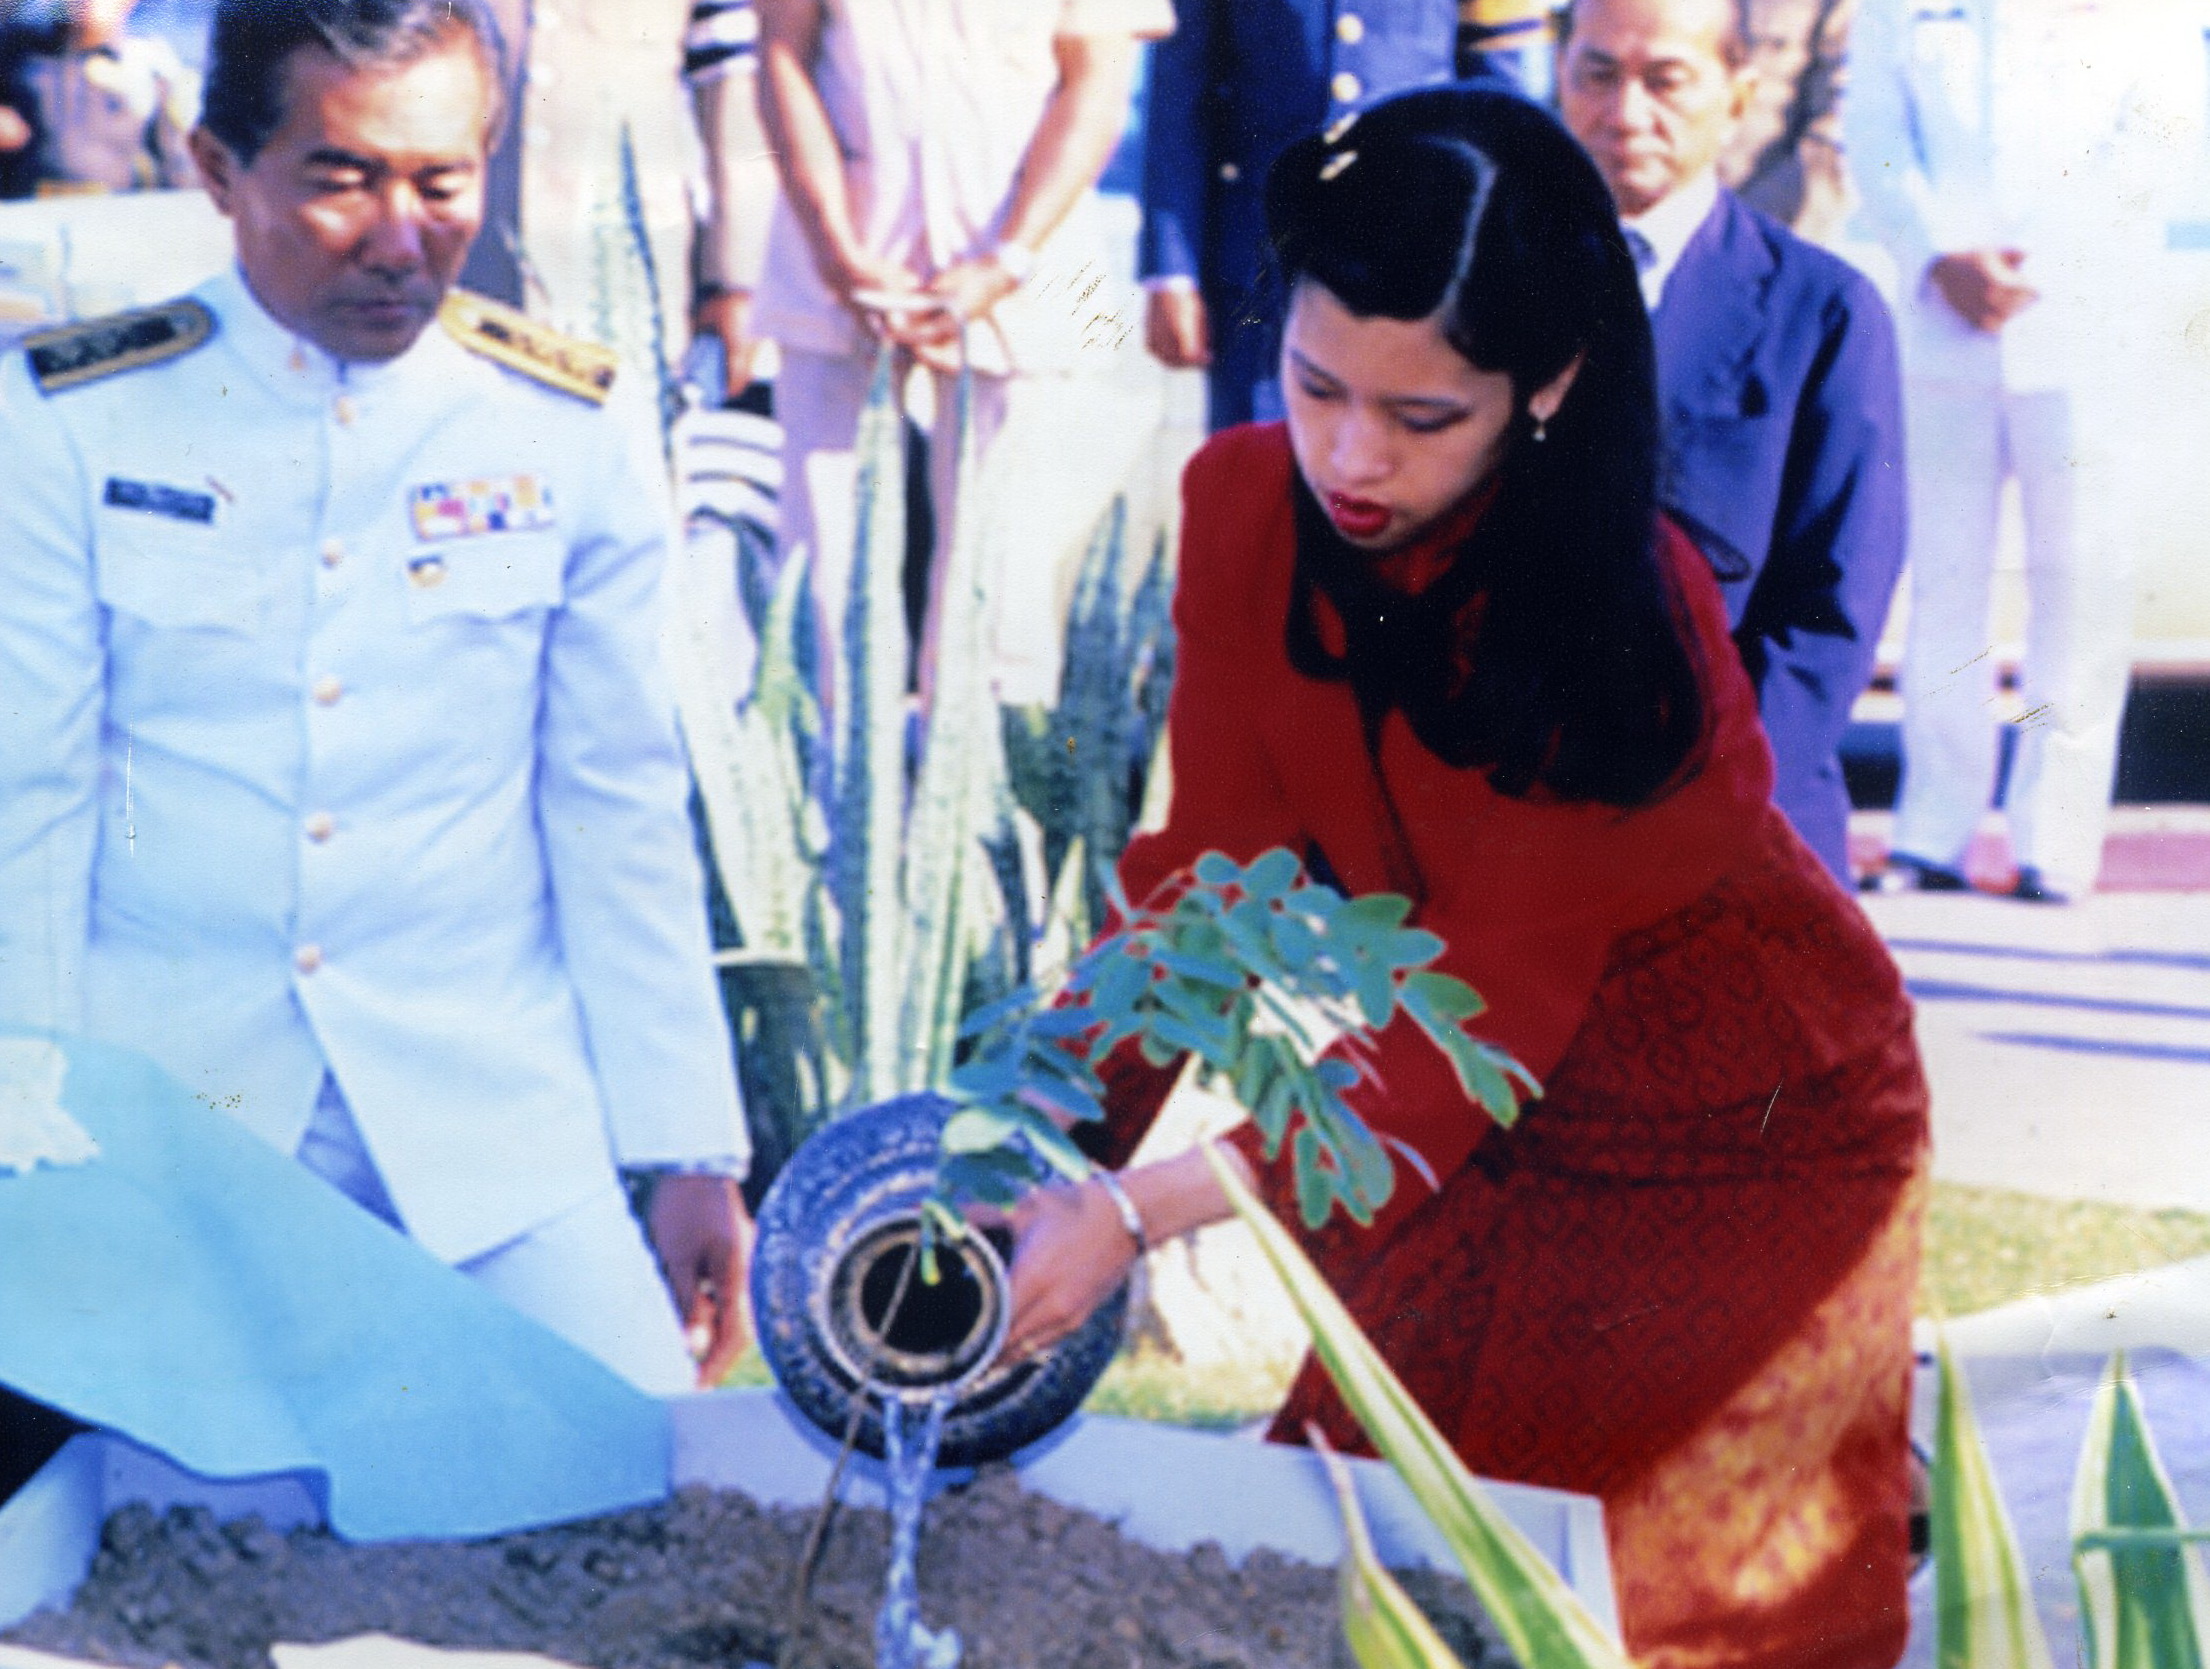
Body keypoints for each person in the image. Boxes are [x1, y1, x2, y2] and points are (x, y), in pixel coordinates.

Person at [1002, 87, 1930, 1669]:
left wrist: (1133, 1210)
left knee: (1637, 1620)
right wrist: (1029, 1143)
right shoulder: (1238, 506)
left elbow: (1479, 1018)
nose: (1349, 458)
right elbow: (1198, 886)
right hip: (1460, 1120)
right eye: (1314, 388)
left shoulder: (1632, 622)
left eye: (1422, 419)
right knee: (1351, 1572)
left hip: (1741, 1135)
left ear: (1545, 387)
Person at [0, 0, 753, 1395]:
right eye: (341, 179)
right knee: (135, 1527)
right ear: (221, 172)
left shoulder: (563, 422)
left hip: (483, 1118)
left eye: (441, 181)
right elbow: (25, 806)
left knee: (634, 1473)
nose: (400, 237)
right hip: (178, 1108)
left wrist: (688, 1147)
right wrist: (35, 1135)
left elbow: (617, 798)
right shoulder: (68, 418)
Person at [1848, 0, 2206, 904]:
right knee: (1946, 584)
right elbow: (1877, 134)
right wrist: (1938, 254)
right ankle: (1931, 830)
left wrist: (2034, 265)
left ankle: (2057, 837)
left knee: (2081, 581)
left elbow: (2161, 136)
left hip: (2085, 319)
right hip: (1941, 319)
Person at [1557, 0, 1905, 887]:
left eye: (1666, 81)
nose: (1625, 113)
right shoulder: (1482, 292)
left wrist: (1697, 806)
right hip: (1519, 822)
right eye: (1597, 74)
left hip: (1739, 820)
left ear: (1739, 94)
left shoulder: (1821, 314)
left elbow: (1829, 618)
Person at [753, 0, 1172, 710]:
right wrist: (838, 255)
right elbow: (782, 55)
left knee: (1004, 588)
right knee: (825, 577)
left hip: (1027, 269)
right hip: (842, 268)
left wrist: (1007, 258)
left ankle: (984, 811)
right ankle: (816, 806)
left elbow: (1095, 84)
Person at [1137, 0, 1460, 432]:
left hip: (1420, 256)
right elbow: (1180, 92)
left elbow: (1503, 83)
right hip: (1265, 264)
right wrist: (1172, 269)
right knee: (1260, 473)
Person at [0, 0, 198, 198]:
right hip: (25, 212)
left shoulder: (151, 68)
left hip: (111, 214)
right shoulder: (15, 52)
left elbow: (178, 168)